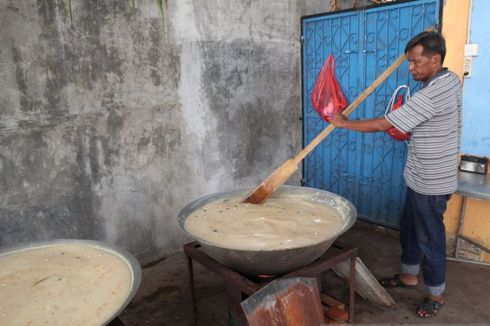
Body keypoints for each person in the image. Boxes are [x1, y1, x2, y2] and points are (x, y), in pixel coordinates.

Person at [331, 31, 462, 318]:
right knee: (411, 228)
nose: (411, 68)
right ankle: (408, 276)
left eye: (415, 62)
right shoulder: (446, 78)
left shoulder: (436, 91)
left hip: (432, 180)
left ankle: (436, 294)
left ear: (436, 59)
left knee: (430, 236)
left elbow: (383, 124)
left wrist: (344, 123)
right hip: (419, 175)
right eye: (409, 63)